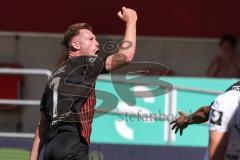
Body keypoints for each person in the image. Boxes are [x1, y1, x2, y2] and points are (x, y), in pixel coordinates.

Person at [29, 7, 137, 160]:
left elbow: (42, 126)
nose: (97, 43)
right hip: (72, 147)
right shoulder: (85, 63)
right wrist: (131, 21)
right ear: (76, 45)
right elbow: (126, 56)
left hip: (51, 150)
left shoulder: (53, 78)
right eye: (91, 39)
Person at [170, 81, 240, 160]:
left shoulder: (228, 97)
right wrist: (187, 119)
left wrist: (187, 119)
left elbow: (206, 113)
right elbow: (206, 113)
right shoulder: (230, 97)